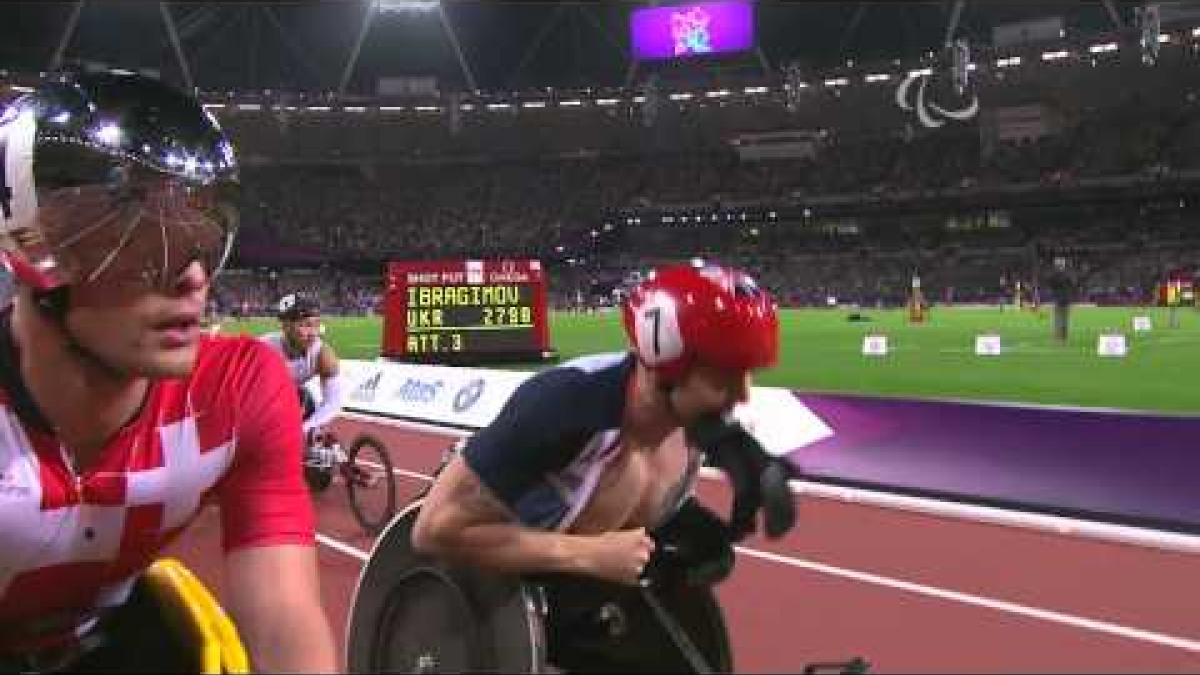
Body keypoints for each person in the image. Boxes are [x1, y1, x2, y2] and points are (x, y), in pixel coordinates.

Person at [0, 70, 337, 671]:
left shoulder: (236, 389)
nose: (193, 280)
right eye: (140, 245)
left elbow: (285, 618)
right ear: (36, 251)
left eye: (204, 244)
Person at [412, 262, 796, 588]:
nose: (742, 396)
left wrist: (751, 465)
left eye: (747, 375)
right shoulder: (562, 405)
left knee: (708, 548)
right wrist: (586, 554)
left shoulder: (699, 416)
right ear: (666, 365)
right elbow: (432, 531)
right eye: (723, 378)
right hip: (486, 585)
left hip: (575, 577)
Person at [258, 292, 343, 439]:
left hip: (297, 398)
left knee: (304, 403)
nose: (313, 334)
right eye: (305, 325)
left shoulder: (323, 355)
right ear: (286, 326)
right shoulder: (263, 349)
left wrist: (307, 428)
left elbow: (333, 402)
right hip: (264, 401)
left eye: (316, 325)